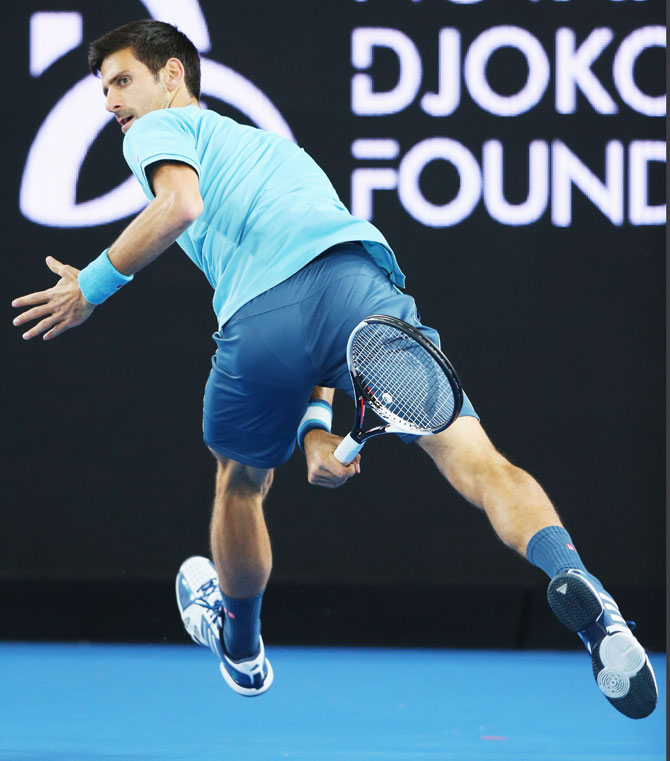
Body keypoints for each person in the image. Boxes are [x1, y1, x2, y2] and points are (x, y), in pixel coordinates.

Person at [12, 20, 656, 717]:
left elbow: (180, 206)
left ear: (173, 77)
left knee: (241, 485)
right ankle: (590, 596)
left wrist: (92, 286)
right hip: (360, 290)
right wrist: (317, 430)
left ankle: (242, 644)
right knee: (478, 460)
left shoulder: (154, 133)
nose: (110, 101)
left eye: (123, 80)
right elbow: (321, 317)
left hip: (261, 318)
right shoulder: (280, 154)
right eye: (102, 88)